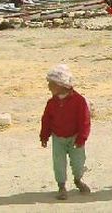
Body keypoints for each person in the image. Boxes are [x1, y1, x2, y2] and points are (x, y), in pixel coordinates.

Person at [40, 64, 91, 200]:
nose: (48, 87)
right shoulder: (51, 103)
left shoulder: (79, 101)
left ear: (61, 85)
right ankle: (61, 186)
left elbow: (84, 121)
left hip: (75, 137)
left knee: (78, 162)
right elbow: (46, 120)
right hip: (58, 138)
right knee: (58, 163)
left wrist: (82, 138)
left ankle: (78, 179)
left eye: (51, 83)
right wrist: (44, 136)